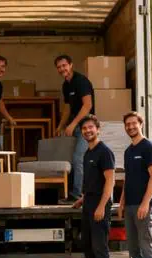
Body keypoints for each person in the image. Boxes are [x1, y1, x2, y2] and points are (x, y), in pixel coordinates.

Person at [117, 112, 152, 258]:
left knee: (147, 248)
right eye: (127, 124)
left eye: (134, 123)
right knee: (134, 251)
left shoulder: (149, 147)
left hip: (144, 208)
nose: (131, 127)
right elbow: (127, 179)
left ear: (140, 124)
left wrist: (145, 203)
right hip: (129, 207)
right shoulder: (128, 151)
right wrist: (121, 203)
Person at [72, 115, 115, 258]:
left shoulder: (105, 152)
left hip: (99, 205)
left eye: (90, 127)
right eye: (84, 128)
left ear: (98, 129)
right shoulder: (88, 153)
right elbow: (93, 182)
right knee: (87, 246)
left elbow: (110, 181)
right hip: (88, 204)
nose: (87, 131)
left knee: (100, 249)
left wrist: (102, 207)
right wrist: (82, 200)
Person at [55, 54, 95, 204]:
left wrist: (73, 124)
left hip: (87, 127)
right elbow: (67, 108)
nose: (62, 69)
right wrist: (61, 125)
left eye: (64, 65)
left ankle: (77, 194)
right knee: (73, 159)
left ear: (71, 65)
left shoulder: (81, 81)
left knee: (79, 158)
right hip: (76, 126)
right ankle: (75, 192)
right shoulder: (66, 85)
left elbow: (87, 105)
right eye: (59, 67)